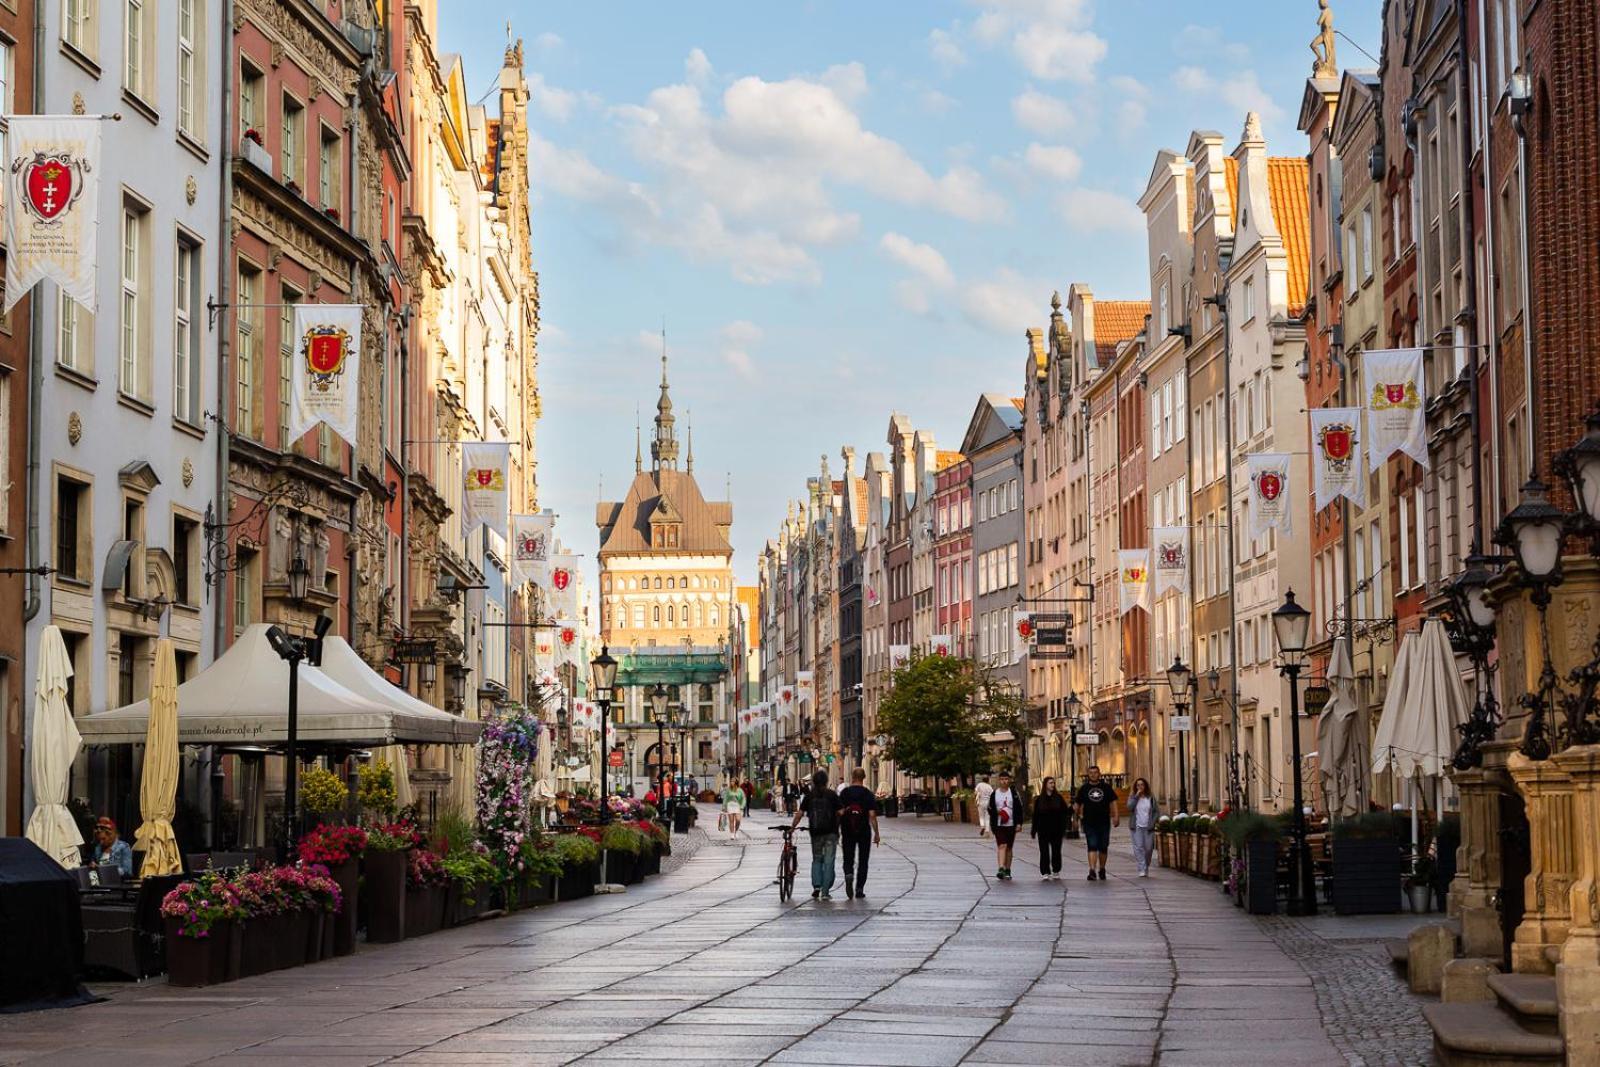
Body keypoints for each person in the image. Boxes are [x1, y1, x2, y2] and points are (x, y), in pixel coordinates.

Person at [791, 770, 842, 900]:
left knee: (817, 859)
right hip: (831, 832)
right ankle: (825, 892)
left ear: (814, 781)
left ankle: (816, 886)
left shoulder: (809, 795)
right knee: (829, 861)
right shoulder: (832, 795)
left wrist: (792, 828)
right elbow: (841, 812)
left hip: (815, 832)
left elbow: (800, 813)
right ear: (826, 780)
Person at [837, 767, 881, 899]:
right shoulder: (868, 794)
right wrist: (877, 833)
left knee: (848, 856)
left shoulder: (845, 793)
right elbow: (872, 815)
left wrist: (837, 828)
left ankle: (849, 873)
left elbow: (839, 812)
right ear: (864, 777)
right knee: (863, 860)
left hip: (847, 829)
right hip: (863, 831)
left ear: (852, 776)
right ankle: (860, 888)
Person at [1073, 765, 1120, 881]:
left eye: (1095, 772)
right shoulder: (1083, 788)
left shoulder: (1106, 788)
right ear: (1088, 775)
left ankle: (1102, 868)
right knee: (1092, 845)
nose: (1093, 774)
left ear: (1099, 774)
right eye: (1091, 772)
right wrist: (1075, 819)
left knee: (1103, 846)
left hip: (1104, 821)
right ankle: (1092, 870)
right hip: (1089, 822)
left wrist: (1116, 816)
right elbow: (1077, 805)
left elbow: (1113, 802)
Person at [1030, 777, 1069, 880]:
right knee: (1044, 851)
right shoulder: (1039, 799)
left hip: (1056, 829)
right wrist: (1033, 830)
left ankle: (1056, 870)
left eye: (1053, 783)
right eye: (1050, 783)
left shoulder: (1058, 798)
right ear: (1045, 785)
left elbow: (1065, 812)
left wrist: (1064, 826)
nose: (1052, 785)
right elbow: (1035, 816)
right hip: (1043, 830)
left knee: (1056, 851)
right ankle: (1045, 871)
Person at [986, 771, 1021, 880]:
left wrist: (1019, 823)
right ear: (999, 780)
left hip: (1011, 824)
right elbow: (989, 808)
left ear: (1009, 780)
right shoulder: (995, 794)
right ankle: (1001, 868)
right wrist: (996, 812)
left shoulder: (1014, 793)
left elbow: (1019, 808)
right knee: (1002, 845)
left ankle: (1007, 869)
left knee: (1009, 848)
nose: (1004, 781)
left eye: (1006, 779)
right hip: (999, 824)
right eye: (1002, 779)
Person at [1127, 777, 1160, 877]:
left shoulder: (1150, 797)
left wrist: (1153, 822)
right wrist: (1136, 796)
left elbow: (1156, 811)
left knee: (1149, 848)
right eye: (1138, 785)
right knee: (1138, 847)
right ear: (1135, 787)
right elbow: (1129, 807)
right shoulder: (1133, 797)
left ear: (1145, 786)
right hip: (1136, 826)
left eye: (1142, 785)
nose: (1140, 787)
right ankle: (1142, 868)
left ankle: (1146, 865)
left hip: (1148, 827)